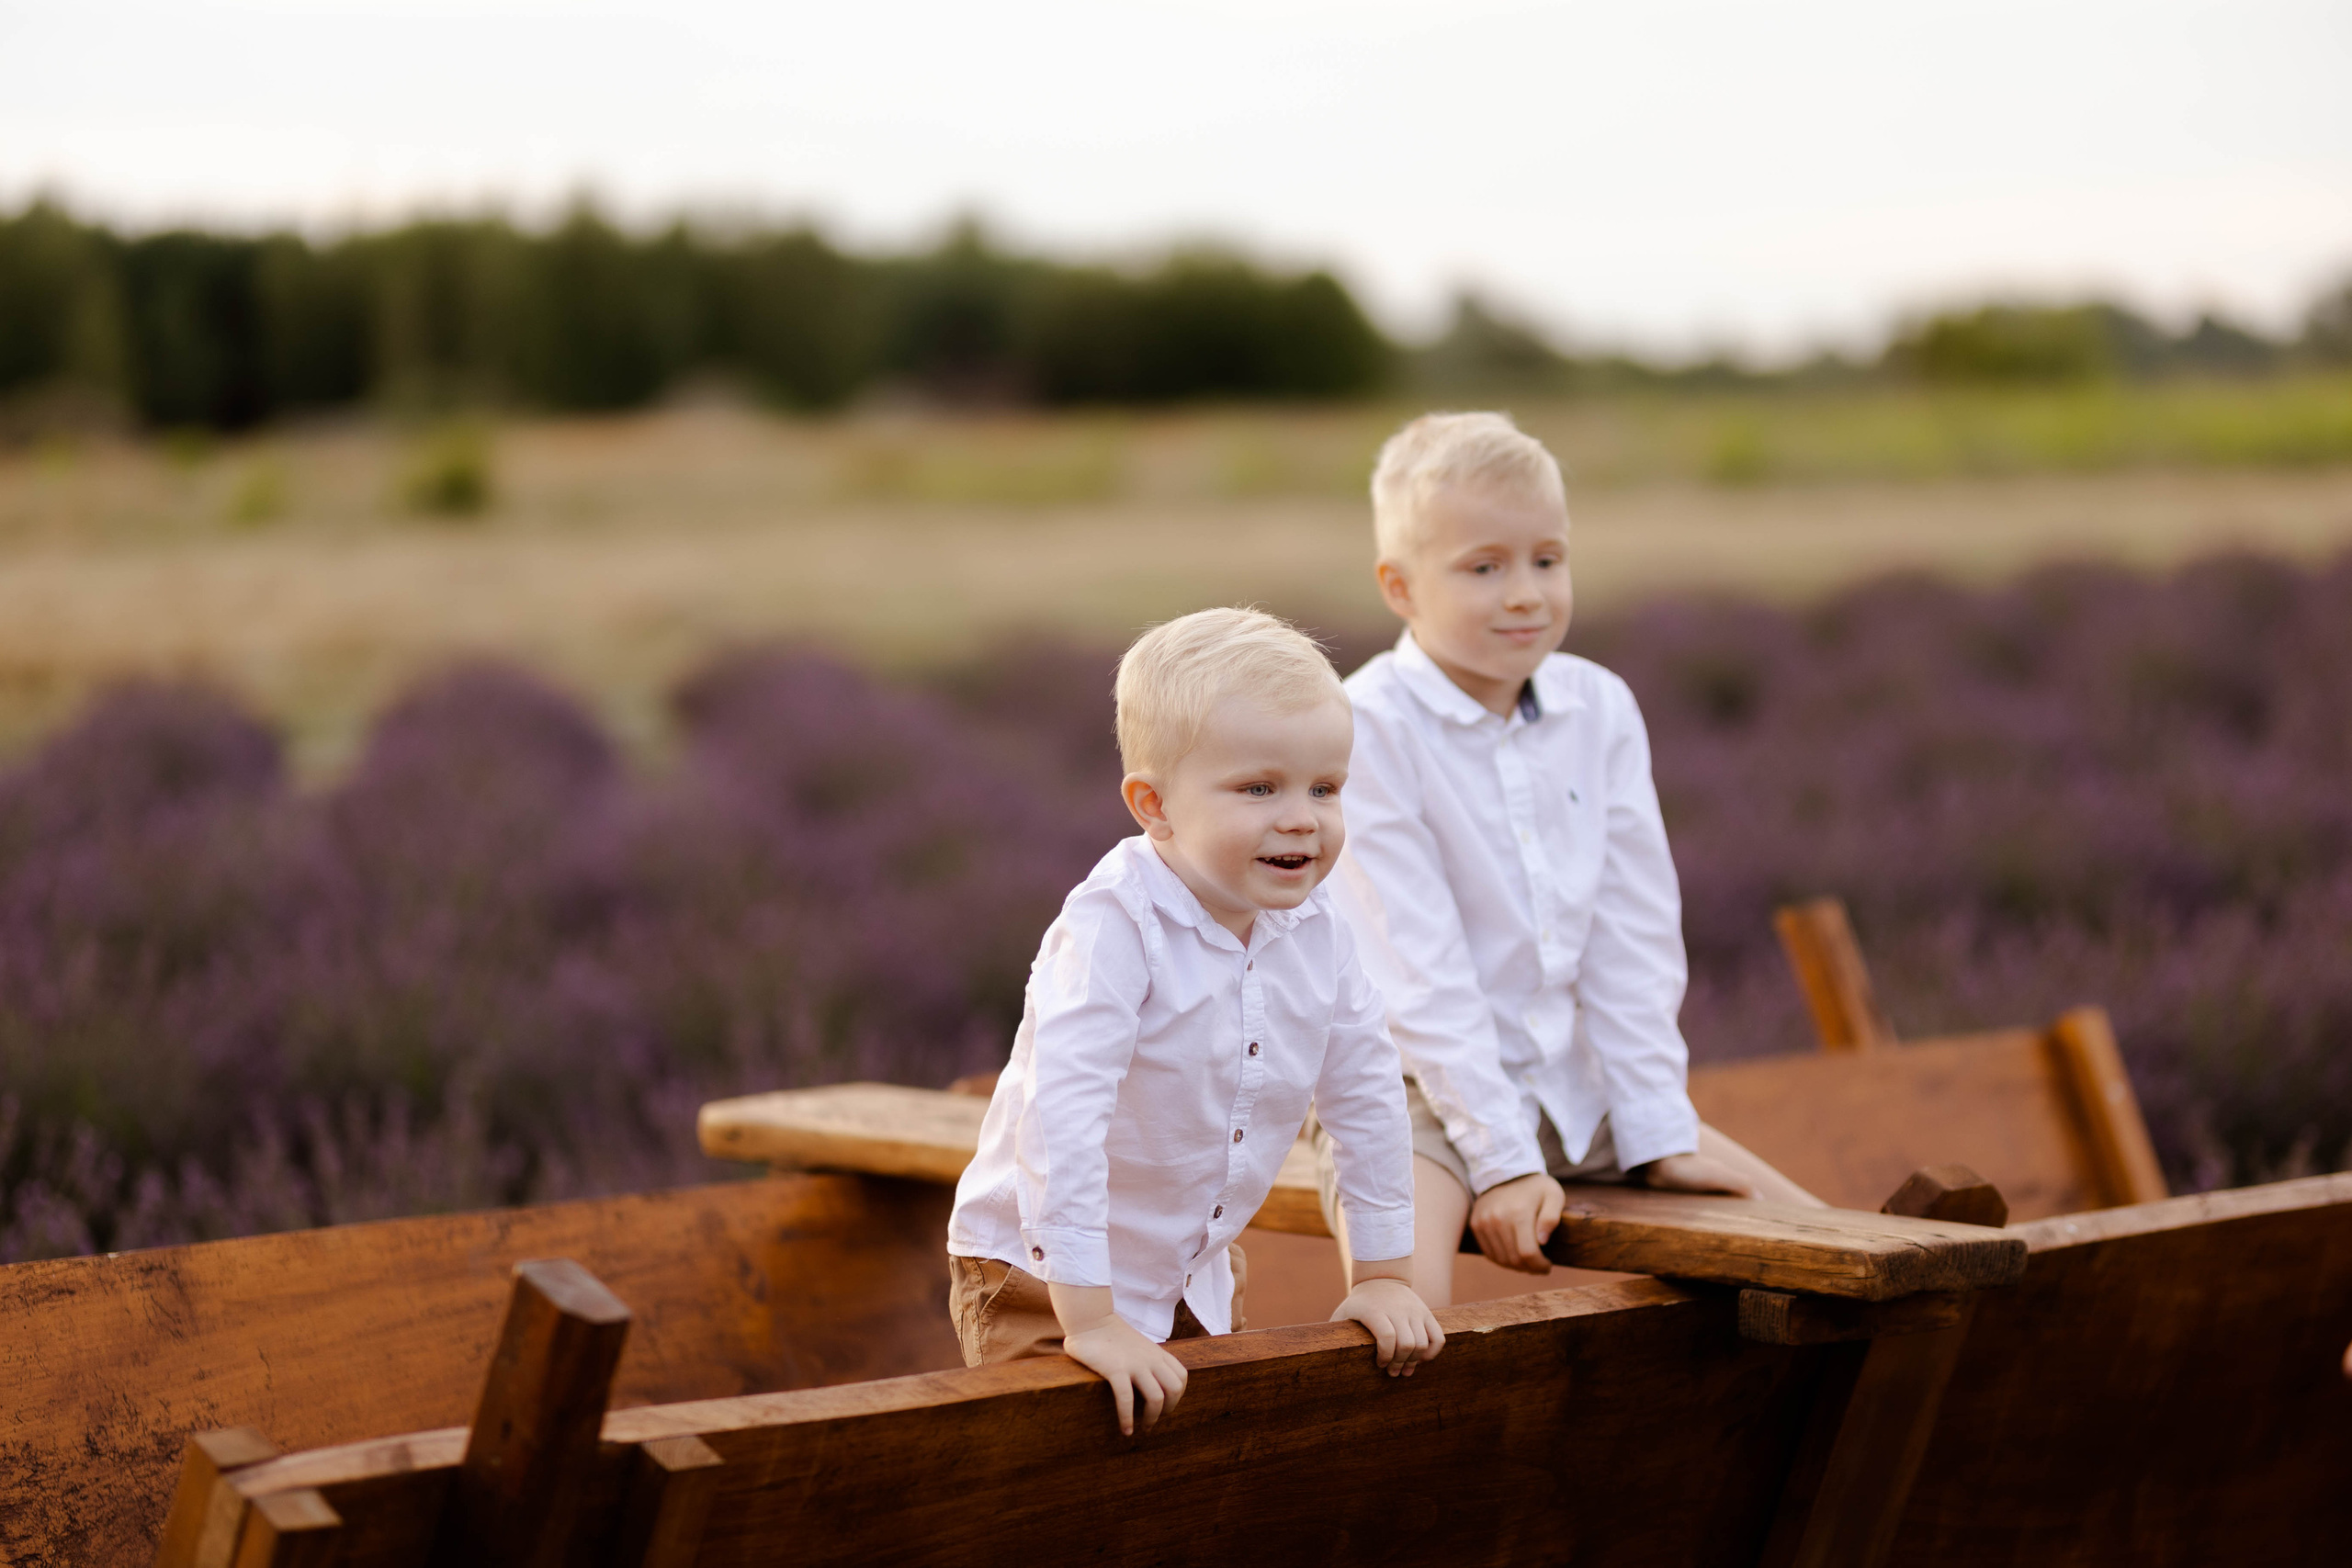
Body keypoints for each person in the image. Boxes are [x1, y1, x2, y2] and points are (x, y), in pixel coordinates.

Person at [1317, 412, 1824, 1307]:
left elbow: (1632, 938)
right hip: (1415, 1093)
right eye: (1485, 567)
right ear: (1399, 587)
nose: (1525, 594)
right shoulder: (1370, 729)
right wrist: (1504, 1163)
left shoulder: (1600, 708)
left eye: (1547, 560)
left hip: (1569, 1082)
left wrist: (1659, 1134)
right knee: (1402, 1305)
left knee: (1830, 1253)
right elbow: (1416, 976)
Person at [947, 606, 1445, 1435]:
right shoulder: (1114, 930)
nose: (1302, 817)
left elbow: (1365, 1094)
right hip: (1044, 1274)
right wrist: (1092, 1319)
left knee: (1202, 1464)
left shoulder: (1321, 932)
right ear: (1156, 805)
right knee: (1063, 1466)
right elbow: (1060, 1123)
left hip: (1194, 1265)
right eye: (1260, 788)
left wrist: (1387, 1271)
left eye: (1325, 788)